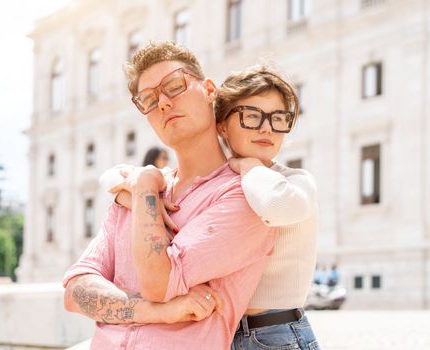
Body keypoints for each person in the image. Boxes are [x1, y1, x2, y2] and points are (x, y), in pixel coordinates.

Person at [62, 41, 276, 350]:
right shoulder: (132, 191)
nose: (163, 102)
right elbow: (75, 292)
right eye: (148, 99)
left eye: (174, 85)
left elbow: (159, 283)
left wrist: (146, 185)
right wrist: (158, 312)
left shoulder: (243, 194)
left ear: (209, 89)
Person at [105, 65, 320, 349]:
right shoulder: (218, 183)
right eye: (252, 116)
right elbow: (111, 177)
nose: (266, 127)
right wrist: (136, 198)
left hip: (276, 333)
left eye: (278, 118)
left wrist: (247, 164)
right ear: (221, 125)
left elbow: (274, 205)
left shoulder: (294, 182)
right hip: (220, 334)